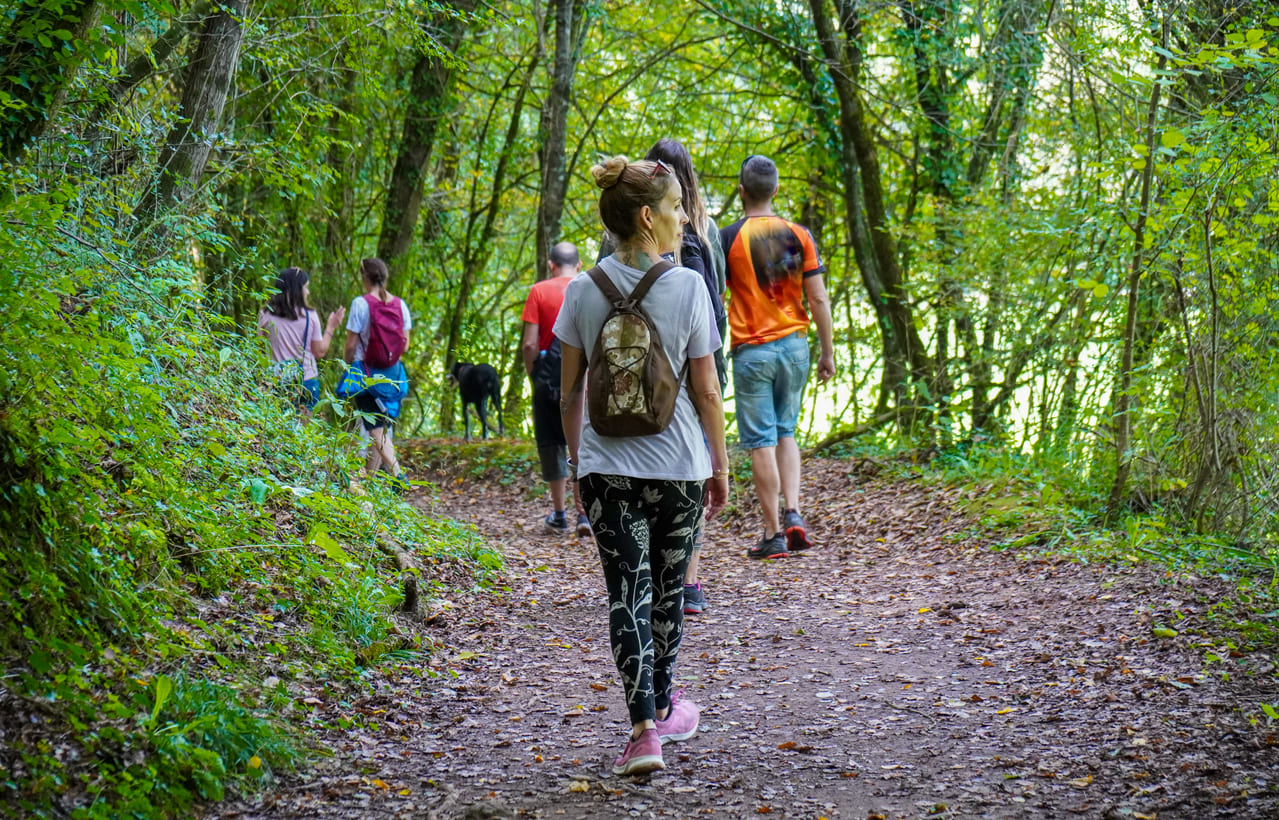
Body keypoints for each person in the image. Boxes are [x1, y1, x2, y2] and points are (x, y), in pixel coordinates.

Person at [556, 155, 730, 776]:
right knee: (668, 593)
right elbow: (708, 391)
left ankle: (642, 731)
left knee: (626, 593)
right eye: (678, 208)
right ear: (649, 216)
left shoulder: (580, 290)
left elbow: (568, 392)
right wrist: (720, 466)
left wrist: (580, 467)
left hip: (606, 468)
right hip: (679, 465)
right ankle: (664, 696)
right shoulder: (688, 288)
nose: (685, 219)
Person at [721, 154, 835, 560]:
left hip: (752, 350)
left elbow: (718, 301)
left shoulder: (727, 237)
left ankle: (772, 536)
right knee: (786, 431)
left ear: (741, 191)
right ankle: (793, 512)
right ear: (777, 189)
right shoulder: (798, 234)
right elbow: (818, 297)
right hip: (794, 346)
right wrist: (827, 351)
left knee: (760, 442)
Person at [639, 138, 726, 616]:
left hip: (650, 362)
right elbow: (711, 307)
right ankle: (687, 580)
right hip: (694, 359)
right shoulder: (700, 228)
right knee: (692, 467)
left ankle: (661, 571)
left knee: (657, 460)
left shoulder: (642, 226)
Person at [520, 241, 591, 537]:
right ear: (578, 265)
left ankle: (559, 514)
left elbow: (529, 343)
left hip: (548, 379)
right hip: (584, 379)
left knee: (551, 442)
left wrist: (534, 373)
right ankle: (584, 515)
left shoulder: (539, 290)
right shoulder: (588, 287)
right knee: (582, 444)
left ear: (551, 264)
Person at [343, 257, 411, 486]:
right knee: (379, 426)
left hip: (366, 372)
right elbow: (406, 344)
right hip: (393, 374)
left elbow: (351, 344)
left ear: (364, 277)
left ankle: (398, 475)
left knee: (374, 427)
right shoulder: (400, 305)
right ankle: (369, 483)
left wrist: (348, 364)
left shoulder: (360, 304)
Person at [258, 266, 345, 417]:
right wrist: (331, 327)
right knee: (304, 434)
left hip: (276, 380)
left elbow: (259, 347)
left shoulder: (265, 314)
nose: (308, 292)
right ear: (297, 290)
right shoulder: (309, 316)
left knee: (277, 429)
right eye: (306, 288)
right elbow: (319, 351)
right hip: (306, 380)